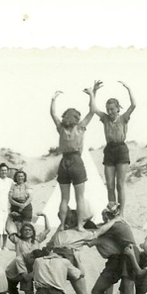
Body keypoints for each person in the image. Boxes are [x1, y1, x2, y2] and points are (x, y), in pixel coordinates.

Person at [88, 203, 143, 294]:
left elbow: (97, 233)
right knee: (129, 288)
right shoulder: (120, 222)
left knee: (129, 288)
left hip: (129, 253)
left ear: (108, 215)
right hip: (129, 253)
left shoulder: (115, 225)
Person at [87, 79, 136, 213]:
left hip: (121, 150)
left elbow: (133, 105)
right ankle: (113, 211)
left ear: (118, 108)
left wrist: (128, 88)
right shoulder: (105, 118)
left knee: (120, 184)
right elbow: (92, 108)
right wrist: (94, 91)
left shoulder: (123, 118)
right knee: (109, 185)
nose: (110, 111)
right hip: (109, 150)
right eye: (108, 109)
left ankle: (121, 213)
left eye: (112, 109)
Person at [50, 90, 96, 226]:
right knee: (80, 198)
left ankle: (62, 225)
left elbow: (52, 113)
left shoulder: (61, 128)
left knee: (64, 198)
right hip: (76, 160)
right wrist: (92, 95)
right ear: (76, 118)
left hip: (64, 161)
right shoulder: (80, 127)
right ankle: (80, 226)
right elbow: (92, 111)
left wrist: (53, 99)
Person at [4, 214, 48, 294]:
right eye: (25, 230)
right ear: (22, 232)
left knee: (31, 292)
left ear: (32, 232)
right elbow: (8, 229)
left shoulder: (37, 240)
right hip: (21, 267)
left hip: (33, 267)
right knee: (20, 290)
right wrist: (9, 217)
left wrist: (45, 216)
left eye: (29, 230)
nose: (27, 232)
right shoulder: (18, 241)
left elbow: (48, 229)